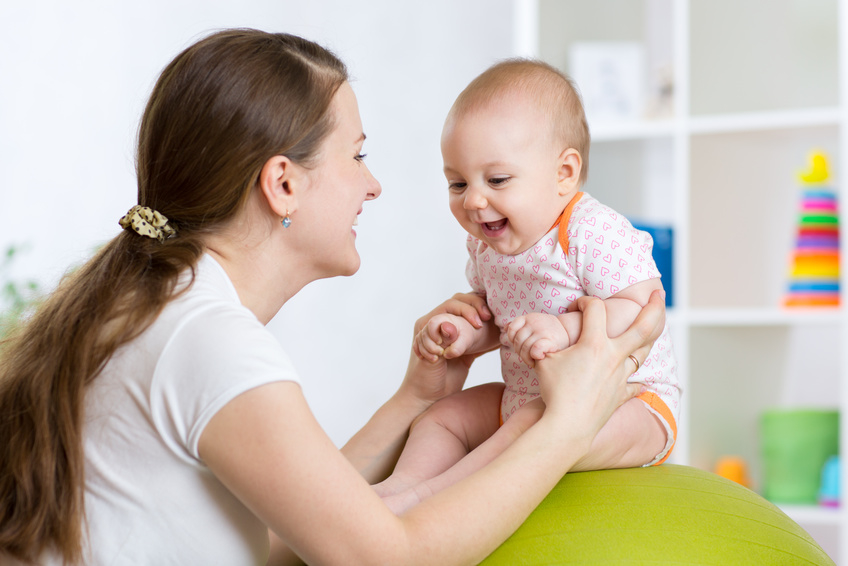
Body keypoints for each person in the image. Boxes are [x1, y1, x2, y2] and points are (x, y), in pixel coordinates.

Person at [0, 30, 666, 565]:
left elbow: (292, 534)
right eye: (357, 156)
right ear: (284, 185)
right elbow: (382, 557)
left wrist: (420, 395)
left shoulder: (163, 311)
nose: (373, 187)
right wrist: (567, 426)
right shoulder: (206, 344)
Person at [374, 59, 681, 514]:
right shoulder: (486, 248)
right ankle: (400, 486)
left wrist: (566, 329)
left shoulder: (591, 231)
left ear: (564, 173)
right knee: (443, 418)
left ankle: (427, 500)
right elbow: (501, 322)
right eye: (457, 183)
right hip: (529, 399)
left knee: (537, 426)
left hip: (628, 403)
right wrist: (465, 334)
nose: (474, 200)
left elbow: (643, 309)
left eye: (496, 180)